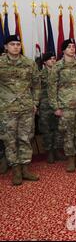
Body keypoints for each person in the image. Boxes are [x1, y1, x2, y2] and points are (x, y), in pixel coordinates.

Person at [0, 35, 41, 185]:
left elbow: (37, 85)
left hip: (26, 108)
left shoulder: (29, 63)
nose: (16, 47)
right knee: (9, 141)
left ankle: (25, 168)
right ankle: (15, 170)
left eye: (18, 44)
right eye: (12, 44)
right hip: (6, 110)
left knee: (25, 138)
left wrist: (35, 102)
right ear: (6, 47)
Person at [49, 38, 76, 173]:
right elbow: (52, 88)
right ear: (63, 50)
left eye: (73, 46)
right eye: (69, 47)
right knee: (68, 134)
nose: (72, 49)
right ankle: (70, 160)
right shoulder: (57, 67)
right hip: (66, 107)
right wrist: (55, 107)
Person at [39, 52, 64, 163]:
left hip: (58, 105)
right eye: (50, 59)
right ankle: (49, 151)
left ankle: (57, 150)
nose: (53, 61)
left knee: (58, 129)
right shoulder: (40, 75)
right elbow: (36, 91)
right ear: (44, 62)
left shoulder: (60, 74)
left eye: (54, 58)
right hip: (45, 106)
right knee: (47, 130)